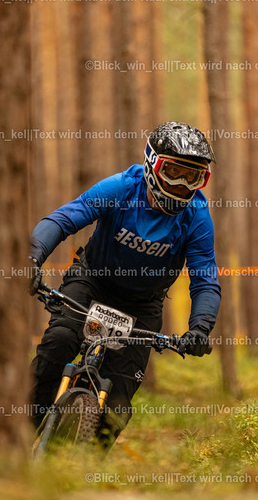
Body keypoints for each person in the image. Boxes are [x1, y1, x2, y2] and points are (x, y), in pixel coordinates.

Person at [29, 121, 221, 444]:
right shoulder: (121, 188)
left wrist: (200, 328)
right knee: (58, 343)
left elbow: (205, 280)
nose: (182, 185)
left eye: (193, 177)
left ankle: (85, 466)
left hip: (142, 305)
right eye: (174, 172)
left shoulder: (197, 216)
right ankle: (18, 438)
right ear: (152, 164)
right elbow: (63, 220)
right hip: (92, 282)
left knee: (117, 405)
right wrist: (32, 258)